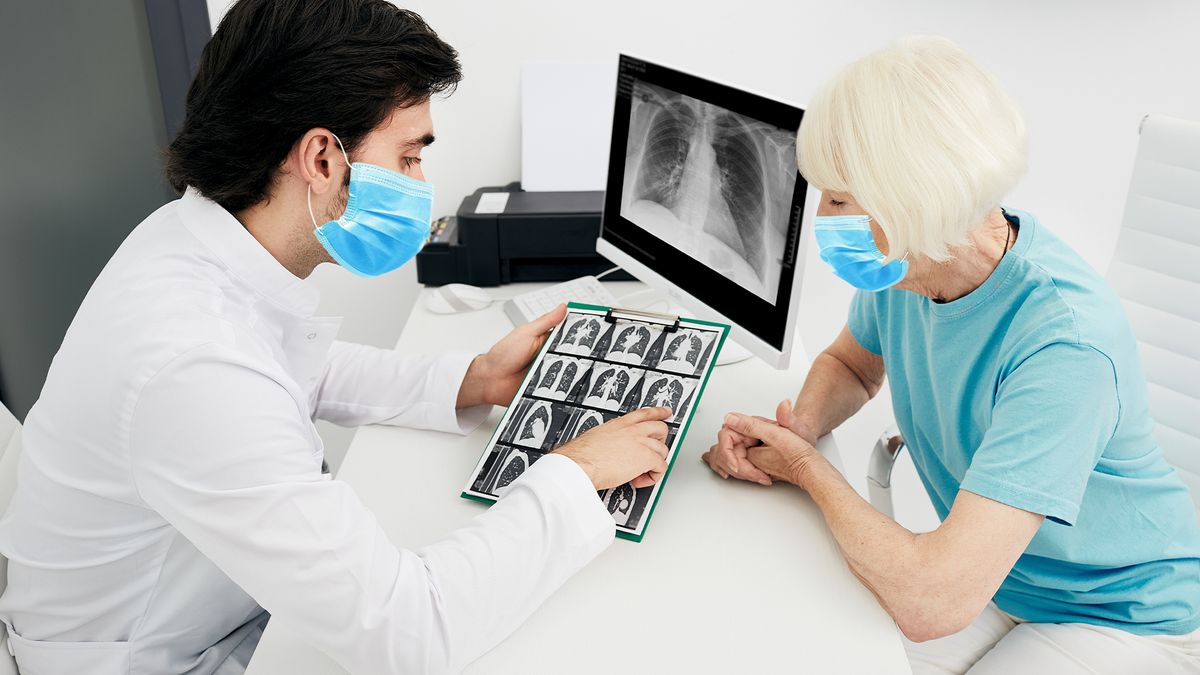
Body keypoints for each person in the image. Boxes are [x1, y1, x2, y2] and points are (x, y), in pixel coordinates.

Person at [0, 1, 672, 673]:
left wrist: (472, 379)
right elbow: (409, 632)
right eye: (408, 158)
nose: (421, 186)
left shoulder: (191, 241)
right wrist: (576, 474)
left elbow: (291, 370)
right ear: (322, 158)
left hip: (209, 611)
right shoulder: (193, 359)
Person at [703, 36, 1200, 673]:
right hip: (998, 578)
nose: (822, 218)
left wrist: (807, 469)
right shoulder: (913, 267)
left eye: (840, 200)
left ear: (917, 196)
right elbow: (853, 364)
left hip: (1118, 614)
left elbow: (933, 601)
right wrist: (798, 428)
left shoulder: (1064, 348)